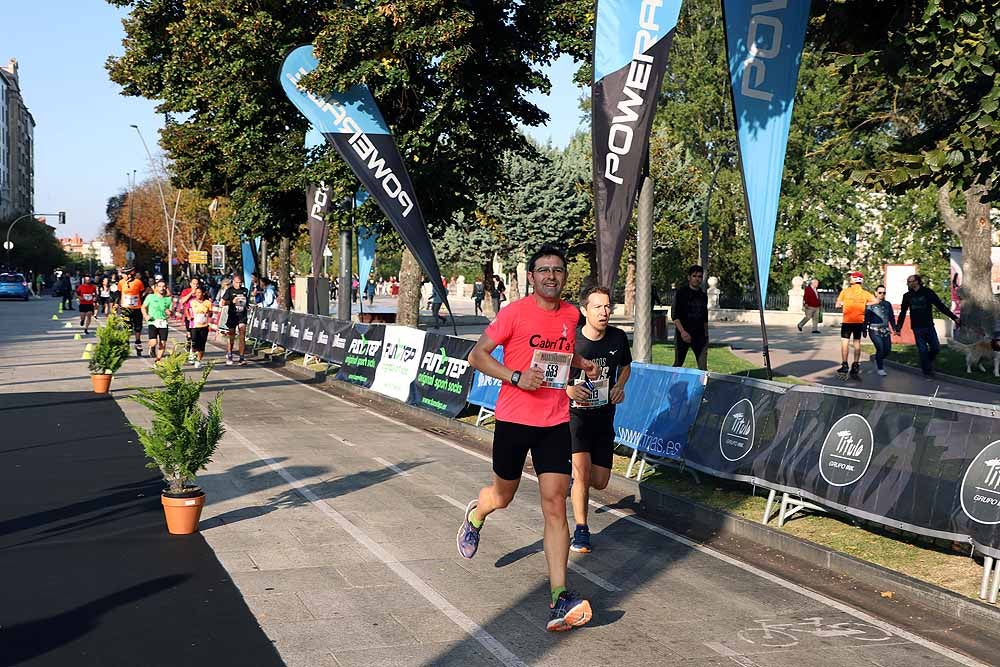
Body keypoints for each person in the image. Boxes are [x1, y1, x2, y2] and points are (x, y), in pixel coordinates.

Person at [459, 243, 599, 632]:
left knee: (556, 505)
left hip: (555, 422)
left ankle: (559, 596)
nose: (551, 276)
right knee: (502, 497)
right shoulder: (514, 313)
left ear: (564, 276)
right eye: (544, 270)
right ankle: (477, 513)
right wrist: (516, 377)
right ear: (533, 277)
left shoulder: (571, 314)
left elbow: (559, 355)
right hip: (514, 420)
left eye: (558, 270)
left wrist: (580, 363)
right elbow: (478, 355)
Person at [566, 285, 632, 554]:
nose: (604, 312)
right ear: (584, 310)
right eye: (598, 307)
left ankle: (575, 487)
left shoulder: (617, 338)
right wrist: (568, 389)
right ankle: (581, 531)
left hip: (604, 416)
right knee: (581, 473)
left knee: (600, 480)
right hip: (576, 416)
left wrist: (620, 386)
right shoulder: (573, 341)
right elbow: (553, 373)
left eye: (607, 307)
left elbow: (626, 366)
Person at [896, 274, 960, 378]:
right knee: (922, 350)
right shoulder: (907, 296)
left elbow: (940, 306)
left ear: (917, 282)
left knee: (936, 348)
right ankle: (927, 370)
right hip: (917, 327)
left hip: (929, 325)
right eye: (908, 282)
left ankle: (927, 363)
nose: (908, 284)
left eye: (910, 281)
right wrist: (898, 327)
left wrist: (954, 317)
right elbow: (903, 312)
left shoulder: (927, 292)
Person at [835, 271, 879, 380]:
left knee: (845, 343)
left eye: (851, 277)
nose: (850, 278)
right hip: (859, 321)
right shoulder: (864, 293)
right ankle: (855, 365)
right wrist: (864, 304)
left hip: (847, 321)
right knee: (857, 343)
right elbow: (876, 301)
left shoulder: (845, 292)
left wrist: (843, 304)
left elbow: (837, 305)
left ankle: (845, 365)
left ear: (854, 280)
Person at [671, 265, 709, 370]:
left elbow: (705, 317)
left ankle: (703, 386)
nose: (697, 279)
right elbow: (675, 316)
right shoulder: (681, 294)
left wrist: (706, 336)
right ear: (689, 277)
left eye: (700, 276)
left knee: (702, 368)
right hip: (683, 334)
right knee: (678, 363)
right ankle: (671, 384)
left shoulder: (703, 295)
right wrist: (682, 332)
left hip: (699, 336)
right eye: (694, 276)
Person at [866, 284, 898, 377]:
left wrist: (894, 328)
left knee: (887, 349)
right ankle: (880, 368)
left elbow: (891, 317)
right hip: (874, 329)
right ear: (875, 293)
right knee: (880, 348)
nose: (882, 294)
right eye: (880, 292)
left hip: (885, 329)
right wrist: (864, 329)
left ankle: (877, 359)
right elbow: (866, 317)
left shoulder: (887, 304)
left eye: (884, 293)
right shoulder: (870, 304)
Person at [220, 274, 250, 365]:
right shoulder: (229, 290)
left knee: (242, 335)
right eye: (237, 283)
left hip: (242, 316)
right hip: (233, 316)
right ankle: (229, 354)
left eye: (240, 283)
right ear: (233, 282)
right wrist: (231, 302)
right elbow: (223, 303)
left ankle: (241, 357)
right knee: (232, 336)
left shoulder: (245, 290)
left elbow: (246, 302)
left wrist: (247, 306)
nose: (239, 285)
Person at [142, 279, 174, 363]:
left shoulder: (168, 299)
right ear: (156, 288)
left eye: (163, 286)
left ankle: (158, 360)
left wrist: (169, 312)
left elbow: (171, 313)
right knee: (153, 342)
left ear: (166, 288)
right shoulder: (150, 297)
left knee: (162, 343)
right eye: (160, 286)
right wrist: (146, 315)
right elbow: (143, 307)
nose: (162, 288)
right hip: (153, 321)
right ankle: (152, 347)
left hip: (163, 322)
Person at [118, 266, 147, 357]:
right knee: (127, 327)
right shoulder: (121, 283)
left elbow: (142, 294)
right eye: (122, 274)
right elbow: (119, 294)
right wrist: (117, 304)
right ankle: (126, 344)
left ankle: (138, 342)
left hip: (137, 308)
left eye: (124, 274)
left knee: (138, 327)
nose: (122, 276)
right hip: (125, 308)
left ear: (130, 274)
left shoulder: (138, 282)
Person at [188, 286, 213, 368]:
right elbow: (186, 309)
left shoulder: (208, 302)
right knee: (194, 341)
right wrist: (189, 316)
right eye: (197, 293)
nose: (198, 294)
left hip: (204, 325)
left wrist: (209, 314)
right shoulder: (192, 302)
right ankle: (192, 352)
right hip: (194, 325)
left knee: (202, 344)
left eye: (200, 292)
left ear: (203, 293)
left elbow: (210, 313)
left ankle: (199, 360)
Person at [179, 277, 201, 362]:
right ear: (190, 284)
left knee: (197, 335)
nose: (195, 285)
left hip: (199, 316)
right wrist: (191, 293)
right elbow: (182, 301)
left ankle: (193, 350)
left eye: (197, 284)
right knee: (191, 335)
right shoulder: (186, 291)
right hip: (189, 316)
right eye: (194, 283)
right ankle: (191, 350)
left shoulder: (200, 292)